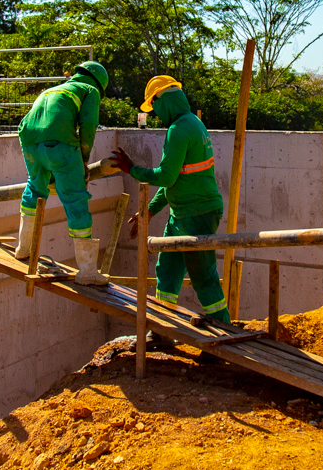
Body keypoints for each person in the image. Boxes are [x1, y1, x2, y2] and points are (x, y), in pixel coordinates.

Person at [113, 76, 230, 327]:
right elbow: (176, 180)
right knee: (167, 271)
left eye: (154, 106)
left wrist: (131, 169)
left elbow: (165, 176)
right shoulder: (194, 123)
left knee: (203, 275)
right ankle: (162, 327)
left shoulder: (179, 130)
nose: (155, 113)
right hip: (183, 213)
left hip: (196, 214)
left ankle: (225, 330)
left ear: (162, 100)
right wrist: (150, 210)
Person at [14, 60, 111, 285]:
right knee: (76, 199)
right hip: (58, 141)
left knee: (35, 187)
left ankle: (23, 248)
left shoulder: (54, 88)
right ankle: (87, 271)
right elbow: (88, 127)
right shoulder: (90, 90)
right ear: (100, 82)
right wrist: (83, 160)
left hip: (28, 139)